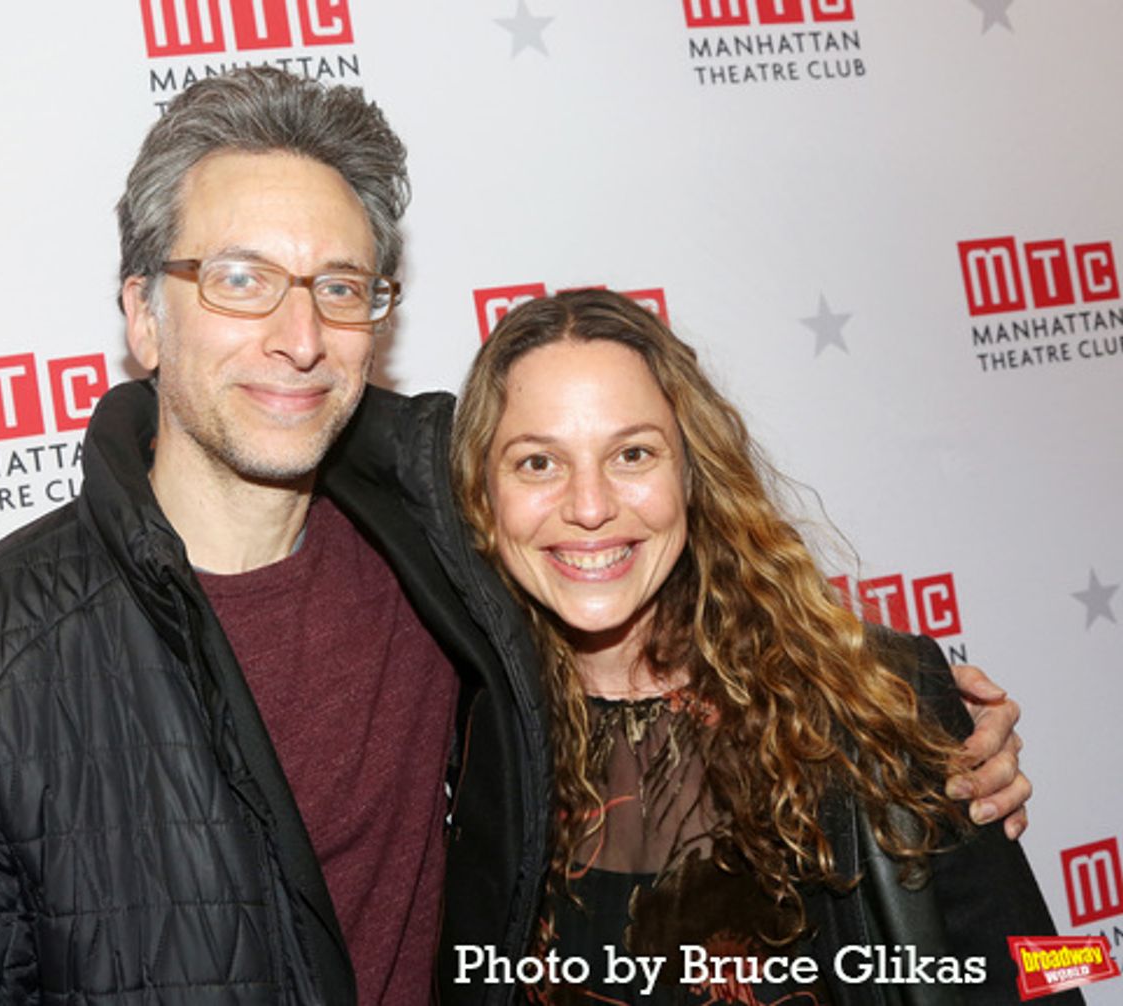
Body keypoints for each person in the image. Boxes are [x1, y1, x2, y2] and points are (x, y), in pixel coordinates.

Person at [0, 69, 1030, 1005]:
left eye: (340, 285)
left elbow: (1047, 963)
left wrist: (906, 724)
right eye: (240, 279)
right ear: (144, 314)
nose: (300, 334)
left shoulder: (443, 552)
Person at [448, 289, 1073, 1004]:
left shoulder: (871, 701)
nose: (589, 506)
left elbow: (1047, 973)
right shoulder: (448, 732)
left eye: (633, 453)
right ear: (480, 493)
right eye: (537, 463)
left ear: (692, 474)